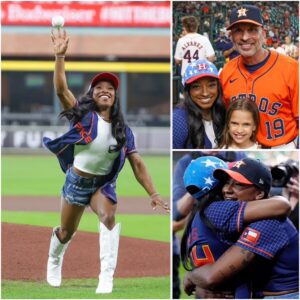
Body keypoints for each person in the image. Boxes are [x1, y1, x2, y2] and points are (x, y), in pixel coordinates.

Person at [43, 28, 169, 294]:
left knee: (108, 217)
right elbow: (61, 88)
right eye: (99, 88)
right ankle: (54, 260)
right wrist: (59, 57)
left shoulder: (124, 130)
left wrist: (154, 193)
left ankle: (106, 276)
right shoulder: (84, 116)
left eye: (109, 88)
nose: (104, 91)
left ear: (115, 96)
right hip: (77, 181)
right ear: (92, 94)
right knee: (65, 232)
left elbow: (137, 164)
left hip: (102, 185)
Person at [183, 157, 298, 298]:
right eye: (226, 183)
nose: (227, 190)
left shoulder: (267, 222)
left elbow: (210, 278)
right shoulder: (228, 212)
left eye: (238, 184)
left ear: (259, 193)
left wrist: (191, 276)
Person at [220, 4, 299, 149]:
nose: (245, 37)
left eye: (252, 30)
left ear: (263, 33)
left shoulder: (292, 69)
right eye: (238, 31)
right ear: (231, 36)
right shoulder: (226, 71)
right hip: (239, 147)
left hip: (281, 147)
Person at [173, 58, 226, 149]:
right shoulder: (178, 119)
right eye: (196, 87)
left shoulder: (223, 111)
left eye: (211, 85)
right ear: (188, 91)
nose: (205, 93)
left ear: (218, 87)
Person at [174, 16, 216, 96]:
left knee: (188, 98)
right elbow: (211, 57)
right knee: (200, 97)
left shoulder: (181, 40)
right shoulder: (204, 39)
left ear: (185, 27)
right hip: (201, 73)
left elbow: (177, 60)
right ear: (196, 26)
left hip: (187, 74)